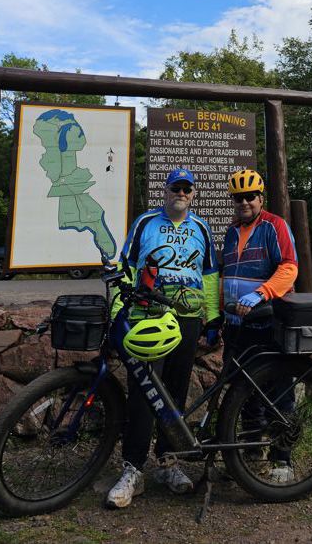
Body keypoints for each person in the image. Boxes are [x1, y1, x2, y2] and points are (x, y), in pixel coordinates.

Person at [106, 168, 220, 509]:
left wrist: (212, 317)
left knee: (175, 389)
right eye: (176, 188)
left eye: (187, 189)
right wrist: (116, 314)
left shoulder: (201, 228)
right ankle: (133, 469)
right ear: (166, 191)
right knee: (144, 391)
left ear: (194, 194)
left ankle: (168, 463)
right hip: (149, 315)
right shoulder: (145, 223)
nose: (181, 193)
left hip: (187, 319)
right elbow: (125, 266)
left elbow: (210, 274)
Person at [221, 168, 299, 483]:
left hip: (268, 320)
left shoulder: (274, 226)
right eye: (238, 198)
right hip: (236, 324)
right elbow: (225, 275)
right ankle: (255, 448)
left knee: (279, 390)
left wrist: (260, 294)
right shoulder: (230, 232)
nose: (244, 202)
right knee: (243, 388)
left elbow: (290, 268)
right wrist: (217, 316)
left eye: (249, 196)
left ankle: (283, 459)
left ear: (260, 197)